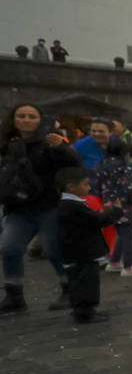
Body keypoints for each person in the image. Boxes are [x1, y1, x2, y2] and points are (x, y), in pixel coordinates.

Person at [1, 104, 81, 312]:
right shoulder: (7, 143)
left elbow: (75, 162)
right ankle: (14, 296)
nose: (26, 120)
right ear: (14, 119)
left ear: (39, 120)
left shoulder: (49, 141)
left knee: (53, 250)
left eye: (32, 116)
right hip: (17, 206)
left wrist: (61, 148)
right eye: (21, 116)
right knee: (10, 248)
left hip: (47, 205)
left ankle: (70, 290)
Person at [55, 167, 121, 323]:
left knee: (77, 282)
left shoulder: (66, 204)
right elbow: (96, 221)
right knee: (87, 283)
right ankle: (85, 312)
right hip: (83, 252)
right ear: (71, 187)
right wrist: (116, 212)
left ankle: (80, 309)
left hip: (74, 252)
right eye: (85, 184)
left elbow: (90, 219)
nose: (89, 188)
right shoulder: (73, 205)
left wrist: (103, 212)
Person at [93, 139, 132, 276]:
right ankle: (128, 267)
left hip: (109, 203)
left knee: (122, 234)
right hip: (126, 205)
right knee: (129, 236)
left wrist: (106, 198)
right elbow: (129, 187)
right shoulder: (124, 166)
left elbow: (97, 185)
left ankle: (114, 262)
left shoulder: (102, 165)